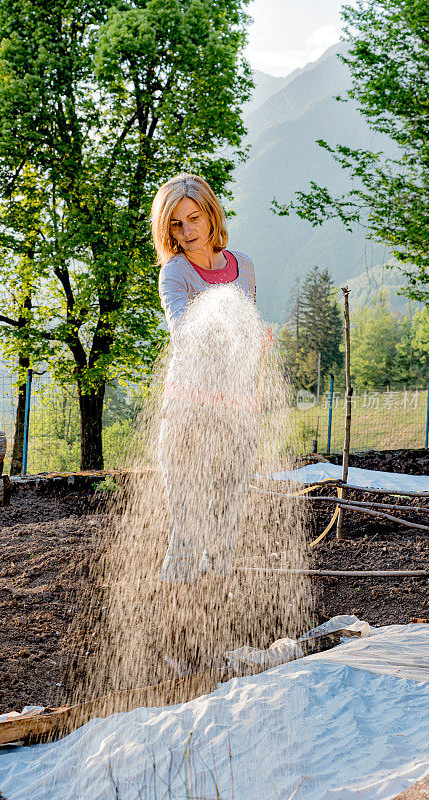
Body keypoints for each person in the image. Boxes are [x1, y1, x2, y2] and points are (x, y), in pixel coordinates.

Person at [150, 172, 265, 676]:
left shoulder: (243, 267)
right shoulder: (175, 275)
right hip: (190, 419)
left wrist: (259, 338)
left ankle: (213, 641)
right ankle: (175, 645)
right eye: (176, 224)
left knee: (225, 532)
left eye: (193, 218)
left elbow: (252, 329)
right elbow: (182, 331)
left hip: (237, 418)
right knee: (187, 531)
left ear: (211, 215)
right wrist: (225, 322)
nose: (186, 231)